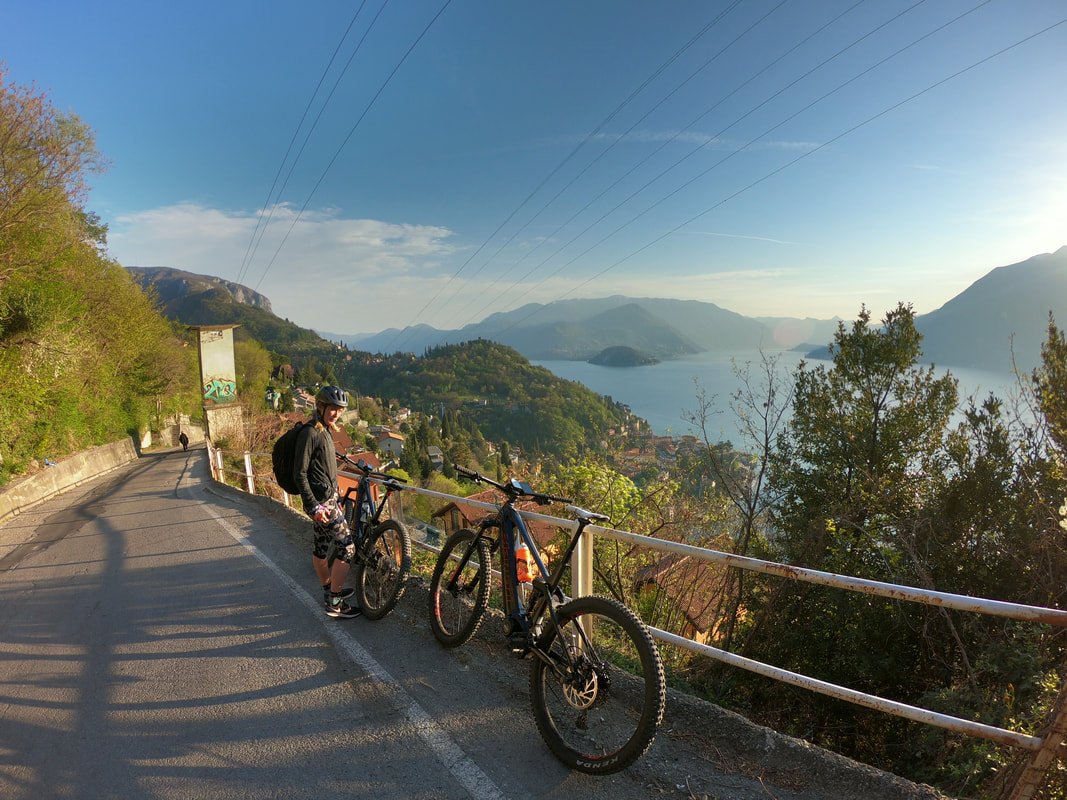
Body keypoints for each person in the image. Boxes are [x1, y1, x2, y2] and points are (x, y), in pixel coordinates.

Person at [293, 386, 361, 619]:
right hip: (321, 504)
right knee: (348, 548)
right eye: (332, 409)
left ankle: (328, 591)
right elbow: (299, 474)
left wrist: (335, 494)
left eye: (339, 410)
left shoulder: (325, 431)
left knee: (321, 549)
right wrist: (313, 506)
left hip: (327, 500)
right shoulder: (310, 433)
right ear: (320, 407)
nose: (336, 414)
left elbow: (323, 468)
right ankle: (334, 601)